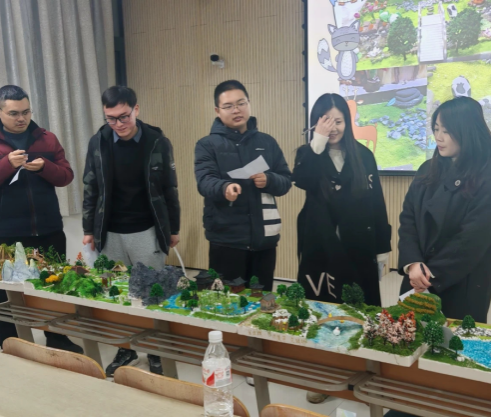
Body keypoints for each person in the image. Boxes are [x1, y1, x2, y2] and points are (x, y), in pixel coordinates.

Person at [0, 85, 81, 353]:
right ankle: (9, 340)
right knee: (6, 291)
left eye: (26, 111)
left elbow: (66, 176)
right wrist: (6, 164)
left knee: (54, 287)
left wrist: (45, 167)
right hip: (7, 233)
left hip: (49, 229)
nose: (21, 118)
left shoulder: (47, 139)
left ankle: (57, 337)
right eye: (14, 113)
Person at [82, 86, 181, 377]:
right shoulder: (98, 142)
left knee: (152, 293)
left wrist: (173, 228)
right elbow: (91, 186)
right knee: (119, 294)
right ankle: (126, 348)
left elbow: (170, 188)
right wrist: (88, 229)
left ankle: (156, 350)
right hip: (109, 232)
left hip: (146, 230)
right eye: (111, 118)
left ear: (136, 109)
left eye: (124, 116)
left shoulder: (157, 141)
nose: (118, 124)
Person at [399, 97, 491, 324]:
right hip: (417, 275)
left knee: (452, 340)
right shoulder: (427, 169)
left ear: (467, 132)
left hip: (458, 282)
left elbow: (471, 240)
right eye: (436, 129)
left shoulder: (488, 178)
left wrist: (430, 274)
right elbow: (408, 219)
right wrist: (412, 262)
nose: (438, 137)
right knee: (410, 335)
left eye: (446, 131)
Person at [294, 93, 392, 308]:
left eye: (338, 122)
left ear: (347, 122)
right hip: (321, 246)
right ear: (316, 123)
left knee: (360, 308)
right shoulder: (308, 154)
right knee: (321, 308)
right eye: (326, 122)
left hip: (358, 243)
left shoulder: (364, 156)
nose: (333, 128)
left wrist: (383, 247)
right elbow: (302, 180)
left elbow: (376, 202)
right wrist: (317, 143)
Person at [194, 80, 292, 295]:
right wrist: (224, 188)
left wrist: (269, 180)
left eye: (241, 103)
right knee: (226, 301)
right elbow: (204, 181)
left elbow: (286, 180)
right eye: (228, 106)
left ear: (249, 103)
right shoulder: (207, 145)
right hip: (226, 239)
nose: (236, 110)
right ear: (217, 111)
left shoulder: (267, 142)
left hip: (263, 239)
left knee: (261, 298)